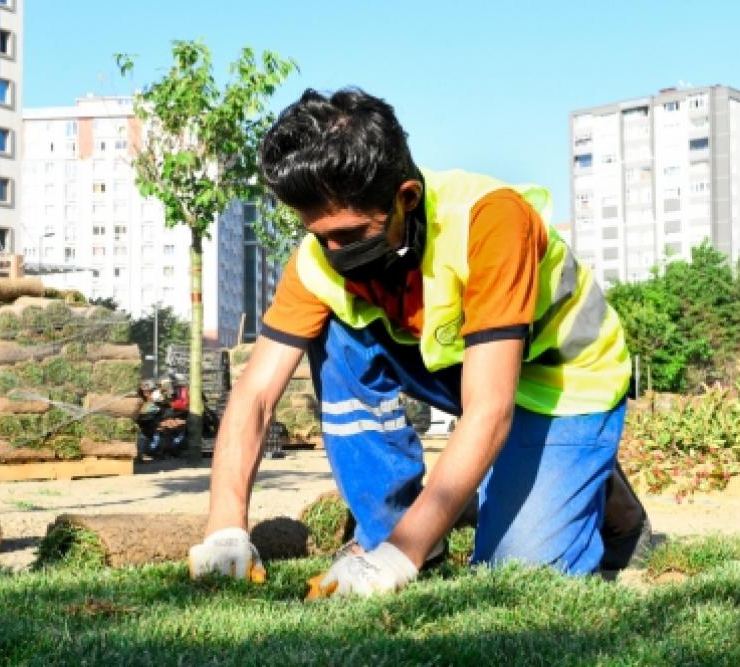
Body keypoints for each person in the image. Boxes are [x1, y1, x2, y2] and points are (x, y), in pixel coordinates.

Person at [188, 88, 650, 597]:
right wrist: (225, 527)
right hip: (462, 367)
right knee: (336, 336)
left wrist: (394, 563)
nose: (334, 252)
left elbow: (490, 408)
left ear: (405, 197)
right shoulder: (317, 257)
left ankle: (592, 477)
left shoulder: (491, 221)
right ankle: (399, 529)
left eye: (350, 233)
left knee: (516, 575)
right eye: (320, 235)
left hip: (563, 381)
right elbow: (255, 394)